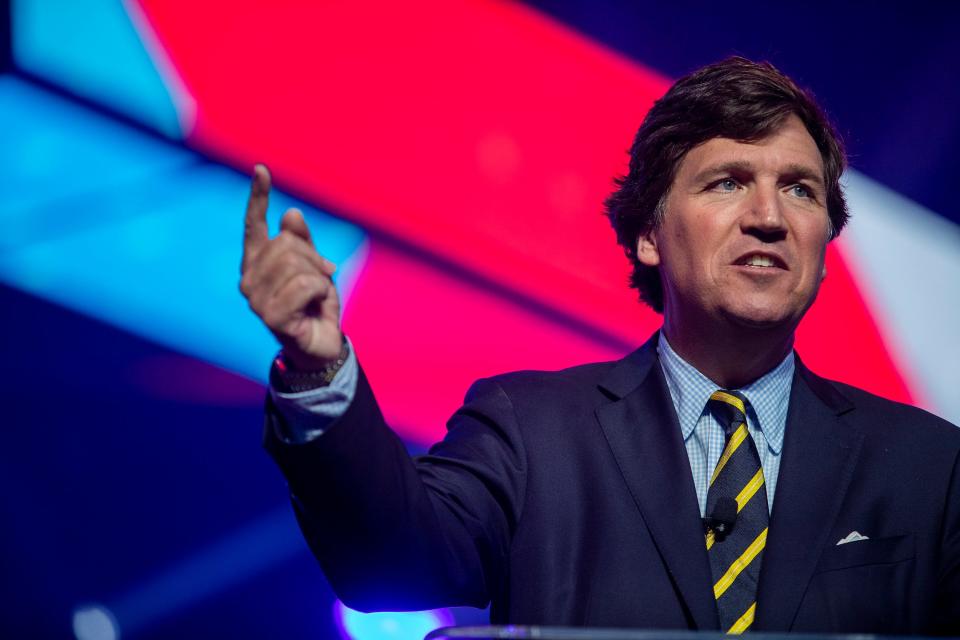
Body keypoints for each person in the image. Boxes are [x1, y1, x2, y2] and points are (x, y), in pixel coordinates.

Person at [239, 57, 960, 634]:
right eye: (728, 182)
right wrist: (317, 364)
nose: (769, 217)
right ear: (649, 235)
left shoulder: (931, 468)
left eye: (800, 190)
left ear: (825, 246)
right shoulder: (531, 429)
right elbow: (392, 567)